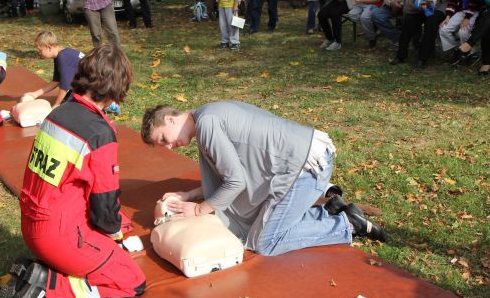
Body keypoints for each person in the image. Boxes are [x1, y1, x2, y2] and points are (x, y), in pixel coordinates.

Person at [2, 45, 146, 298]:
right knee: (132, 280)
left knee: (119, 223)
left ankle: (43, 272)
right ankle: (49, 287)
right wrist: (115, 238)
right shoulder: (99, 133)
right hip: (61, 236)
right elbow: (104, 210)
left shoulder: (56, 115)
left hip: (32, 225)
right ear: (116, 89)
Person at [140, 102, 386, 257]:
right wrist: (187, 195)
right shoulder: (207, 115)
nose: (170, 147)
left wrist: (198, 209)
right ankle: (329, 209)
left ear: (170, 119)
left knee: (265, 242)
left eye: (164, 139)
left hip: (305, 169)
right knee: (258, 227)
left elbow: (235, 182)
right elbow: (228, 177)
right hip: (303, 163)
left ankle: (346, 225)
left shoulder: (207, 125)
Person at [22, 31, 85, 108]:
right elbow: (56, 81)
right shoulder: (60, 54)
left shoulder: (62, 57)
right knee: (66, 99)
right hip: (88, 83)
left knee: (67, 107)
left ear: (49, 47)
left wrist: (56, 105)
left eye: (40, 50)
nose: (39, 53)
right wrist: (35, 94)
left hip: (95, 87)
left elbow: (65, 87)